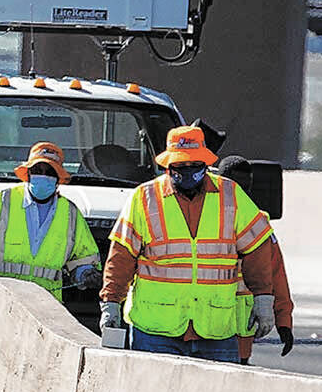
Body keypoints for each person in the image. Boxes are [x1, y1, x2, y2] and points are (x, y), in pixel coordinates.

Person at [99, 126, 276, 362]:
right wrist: (111, 302)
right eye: (180, 167)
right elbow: (121, 256)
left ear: (205, 164)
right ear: (168, 166)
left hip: (215, 328)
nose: (188, 172)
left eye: (194, 166)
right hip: (156, 329)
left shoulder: (231, 195)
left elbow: (257, 249)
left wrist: (264, 298)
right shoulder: (144, 198)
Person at [0, 142, 102, 301]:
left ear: (58, 178)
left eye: (49, 172)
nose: (43, 175)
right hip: (0, 303)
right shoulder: (2, 201)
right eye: (38, 170)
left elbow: (83, 261)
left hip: (47, 307)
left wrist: (86, 274)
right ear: (28, 174)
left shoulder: (70, 213)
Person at [216, 155, 295, 363]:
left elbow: (276, 273)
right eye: (235, 185)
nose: (241, 193)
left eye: (246, 186)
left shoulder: (259, 224)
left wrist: (283, 321)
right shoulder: (201, 218)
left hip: (240, 333)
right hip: (201, 327)